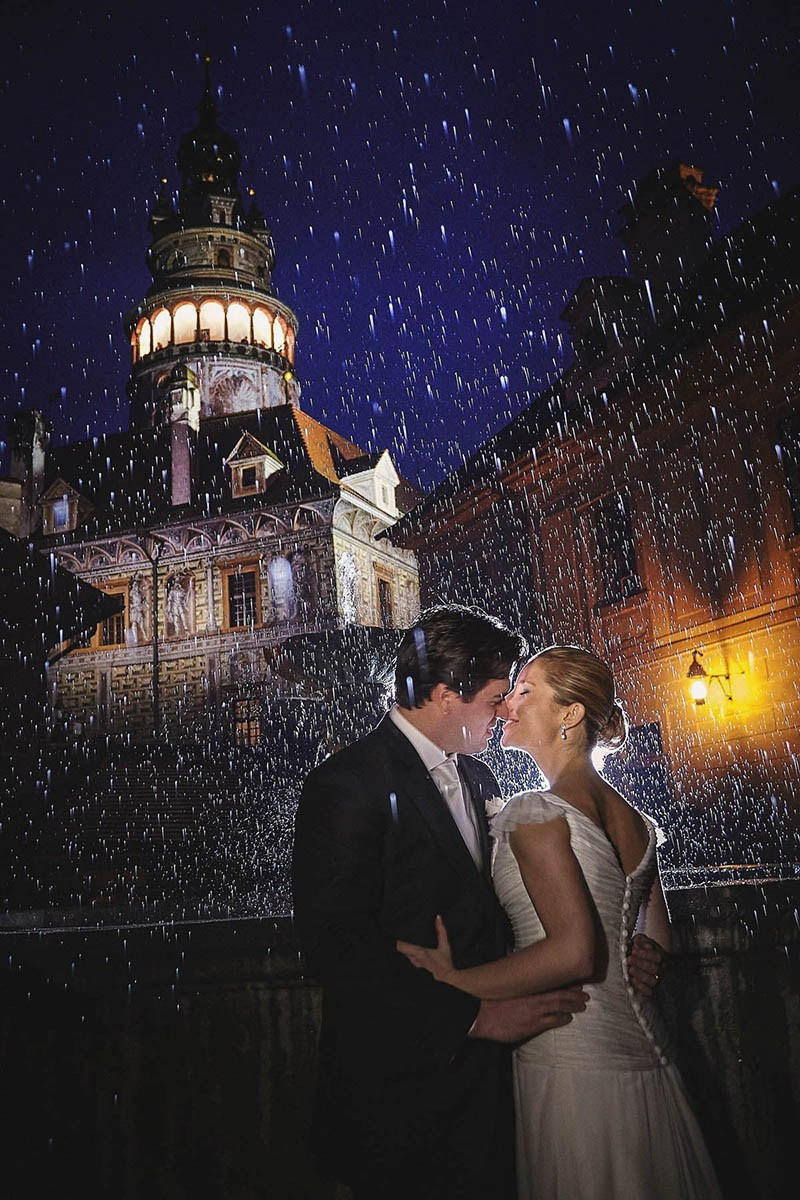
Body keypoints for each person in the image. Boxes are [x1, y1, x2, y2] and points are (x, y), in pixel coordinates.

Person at [399, 645, 722, 1200]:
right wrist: (641, 956)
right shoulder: (635, 818)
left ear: (570, 714)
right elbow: (654, 941)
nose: (507, 706)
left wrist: (455, 983)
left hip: (572, 1057)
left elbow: (573, 954)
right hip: (646, 1051)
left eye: (525, 692)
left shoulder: (536, 811)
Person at [291, 606, 591, 1200]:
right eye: (496, 697)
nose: (506, 711)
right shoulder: (347, 784)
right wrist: (477, 1017)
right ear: (447, 694)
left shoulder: (479, 780)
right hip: (400, 1094)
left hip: (487, 1095)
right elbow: (334, 948)